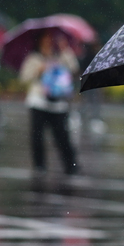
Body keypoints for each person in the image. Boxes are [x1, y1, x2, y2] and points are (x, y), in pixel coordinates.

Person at [19, 31, 79, 175]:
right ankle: (40, 165)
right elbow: (24, 77)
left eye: (50, 39)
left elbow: (73, 68)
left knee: (62, 136)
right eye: (45, 39)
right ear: (39, 41)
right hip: (38, 102)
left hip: (58, 104)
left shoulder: (60, 56)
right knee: (37, 136)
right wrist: (38, 70)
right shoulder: (34, 58)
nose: (48, 42)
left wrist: (65, 49)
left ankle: (71, 165)